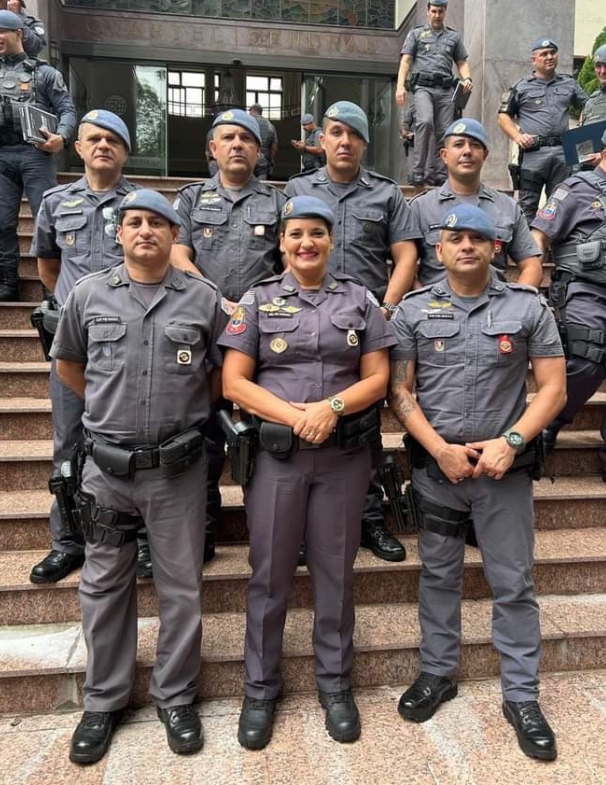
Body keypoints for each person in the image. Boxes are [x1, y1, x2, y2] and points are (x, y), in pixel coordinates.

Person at [51, 189, 223, 764]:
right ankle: (104, 700)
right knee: (103, 586)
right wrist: (110, 415)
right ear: (118, 234)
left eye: (157, 222)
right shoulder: (87, 294)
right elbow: (70, 366)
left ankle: (175, 698)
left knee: (181, 589)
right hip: (107, 470)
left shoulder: (204, 300)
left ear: (175, 235)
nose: (145, 230)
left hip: (176, 470)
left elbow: (224, 375)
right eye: (134, 222)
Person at [389, 204, 566, 762]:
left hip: (503, 473)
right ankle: (437, 673)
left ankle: (521, 695)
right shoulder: (412, 311)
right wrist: (438, 449)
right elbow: (400, 392)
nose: (466, 245)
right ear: (438, 250)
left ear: (496, 248)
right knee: (438, 576)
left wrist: (509, 443)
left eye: (478, 238)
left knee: (513, 582)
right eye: (454, 237)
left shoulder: (528, 306)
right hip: (438, 471)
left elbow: (554, 389)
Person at [219, 195, 396, 749]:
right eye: (295, 234)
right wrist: (298, 416)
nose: (305, 244)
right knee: (269, 575)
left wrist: (331, 409)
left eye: (316, 234)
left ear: (330, 240)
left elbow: (378, 378)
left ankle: (335, 684)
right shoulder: (258, 299)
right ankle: (259, 689)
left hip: (343, 459)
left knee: (335, 574)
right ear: (282, 242)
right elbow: (234, 383)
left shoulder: (360, 300)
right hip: (278, 459)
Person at [285, 101, 421, 562]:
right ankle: (302, 525)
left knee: (364, 423)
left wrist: (386, 308)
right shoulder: (298, 187)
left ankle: (369, 518)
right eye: (336, 132)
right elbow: (282, 254)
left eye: (354, 135)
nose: (344, 141)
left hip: (364, 321)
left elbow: (405, 257)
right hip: (303, 317)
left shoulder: (386, 194)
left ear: (365, 143)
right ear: (321, 139)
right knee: (304, 410)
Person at [29, 110, 155, 584]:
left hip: (131, 345)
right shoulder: (55, 201)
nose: (103, 146)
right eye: (93, 139)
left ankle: (140, 539)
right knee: (69, 442)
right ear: (77, 148)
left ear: (125, 151)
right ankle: (67, 543)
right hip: (78, 345)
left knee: (135, 441)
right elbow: (48, 265)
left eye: (113, 140)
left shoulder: (141, 205)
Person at [171, 108, 285, 559]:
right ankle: (203, 528)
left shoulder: (278, 204)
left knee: (269, 434)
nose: (237, 145)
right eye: (228, 138)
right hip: (205, 332)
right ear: (212, 149)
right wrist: (221, 301)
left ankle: (274, 530)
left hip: (267, 332)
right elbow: (179, 256)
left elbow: (292, 260)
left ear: (259, 152)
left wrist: (255, 306)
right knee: (204, 434)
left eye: (246, 138)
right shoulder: (192, 199)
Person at [531, 123, 606, 495]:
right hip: (587, 292)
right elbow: (539, 236)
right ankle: (550, 420)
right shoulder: (575, 188)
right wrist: (529, 288)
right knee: (585, 360)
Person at [0, 10, 76, 303]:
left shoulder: (45, 73)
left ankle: (51, 286)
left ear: (18, 33)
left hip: (36, 156)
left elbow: (68, 110)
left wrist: (61, 136)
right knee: (4, 224)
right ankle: (9, 282)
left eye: (0, 32)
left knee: (45, 222)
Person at [411, 118, 543, 288]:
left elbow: (532, 267)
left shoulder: (507, 207)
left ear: (485, 154)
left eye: (475, 145)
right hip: (437, 308)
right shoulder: (421, 208)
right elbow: (404, 265)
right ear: (444, 155)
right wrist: (425, 306)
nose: (467, 151)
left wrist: (514, 305)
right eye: (459, 145)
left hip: (494, 309)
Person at [498, 38, 589, 222]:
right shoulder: (521, 86)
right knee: (527, 207)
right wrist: (517, 136)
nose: (549, 57)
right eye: (544, 54)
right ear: (534, 59)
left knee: (560, 206)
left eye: (552, 53)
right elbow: (502, 117)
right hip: (533, 154)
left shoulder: (568, 83)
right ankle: (527, 249)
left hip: (564, 153)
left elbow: (589, 106)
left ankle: (554, 250)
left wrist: (582, 128)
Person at [396, 0, 472, 188]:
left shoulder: (453, 37)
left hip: (446, 90)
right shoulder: (416, 34)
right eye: (434, 11)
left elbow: (462, 61)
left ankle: (440, 173)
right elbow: (405, 61)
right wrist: (400, 86)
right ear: (428, 11)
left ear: (445, 12)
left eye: (441, 11)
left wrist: (467, 78)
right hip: (423, 88)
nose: (437, 15)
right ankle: (417, 172)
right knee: (425, 121)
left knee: (445, 131)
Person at [249, 103, 278, 179]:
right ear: (260, 112)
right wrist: (269, 161)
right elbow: (274, 148)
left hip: (247, 157)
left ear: (251, 110)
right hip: (263, 159)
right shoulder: (270, 125)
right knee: (262, 185)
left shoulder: (246, 122)